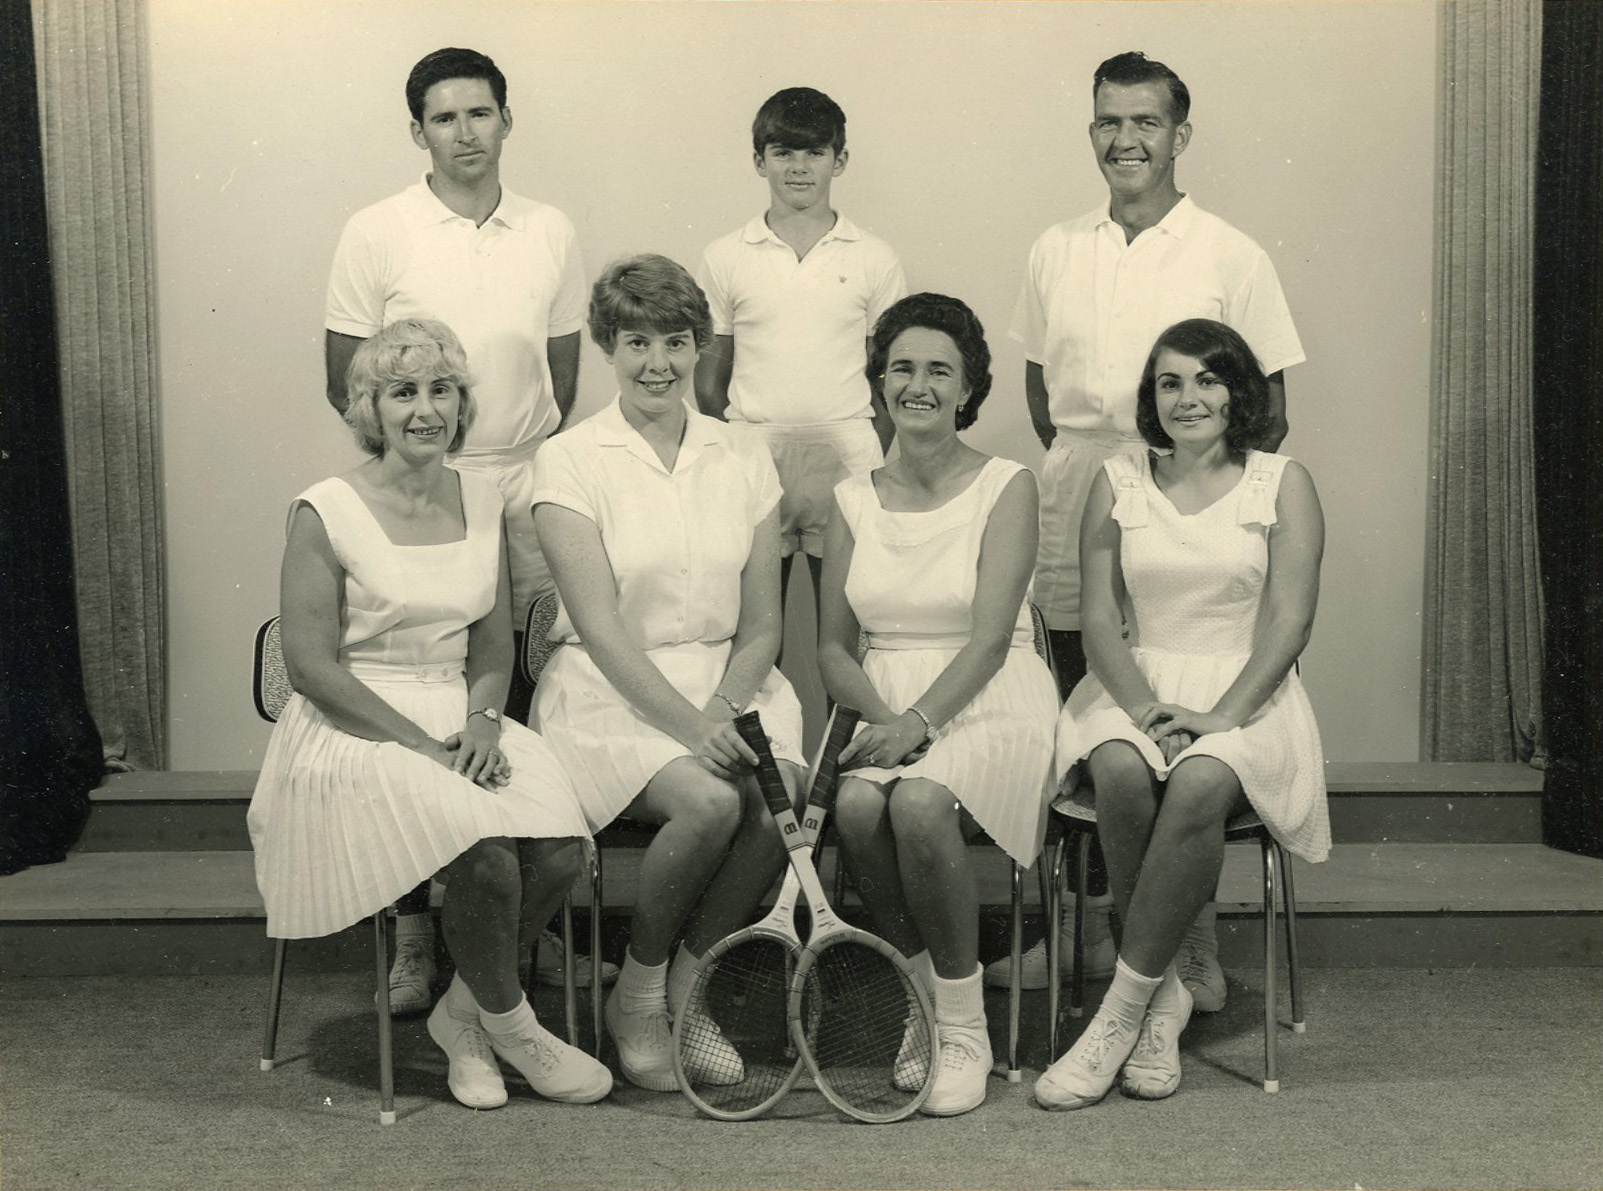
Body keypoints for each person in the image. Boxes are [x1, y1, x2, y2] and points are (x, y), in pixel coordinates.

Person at [1000, 50, 1306, 1006]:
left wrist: (1179, 490)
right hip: (1082, 499)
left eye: (1144, 123)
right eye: (1107, 122)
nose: (1124, 139)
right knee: (1092, 732)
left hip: (1192, 505)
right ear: (1090, 131)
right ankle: (1091, 934)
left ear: (1180, 135)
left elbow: (1268, 406)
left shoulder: (1230, 252)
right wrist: (1108, 483)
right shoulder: (1057, 245)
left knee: (1182, 737)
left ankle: (1184, 945)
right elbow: (1041, 394)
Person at [248, 319, 611, 1111]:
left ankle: (462, 1019)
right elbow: (310, 668)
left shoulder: (483, 496)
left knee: (558, 847)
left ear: (460, 404)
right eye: (402, 391)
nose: (424, 409)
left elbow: (490, 636)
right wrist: (421, 743)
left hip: (461, 714)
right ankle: (516, 1026)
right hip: (354, 726)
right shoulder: (324, 509)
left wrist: (483, 719)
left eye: (440, 390)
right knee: (485, 850)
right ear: (368, 407)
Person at [323, 47, 608, 1012]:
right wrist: (428, 473)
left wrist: (503, 474)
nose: (465, 133)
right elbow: (350, 380)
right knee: (420, 703)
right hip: (421, 495)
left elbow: (560, 382)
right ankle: (417, 925)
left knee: (518, 698)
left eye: (480, 113)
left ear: (506, 120)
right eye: (444, 119)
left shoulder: (549, 229)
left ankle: (520, 925)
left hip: (522, 491)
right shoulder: (377, 231)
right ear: (418, 133)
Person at [1034, 319, 1328, 1110]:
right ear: (1150, 396)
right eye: (1170, 382)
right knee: (1120, 769)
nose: (1188, 397)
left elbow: (1289, 622)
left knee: (1199, 782)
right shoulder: (1117, 477)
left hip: (1247, 691)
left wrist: (1219, 715)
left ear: (1238, 390)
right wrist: (1141, 708)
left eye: (1206, 378)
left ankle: (1122, 1016)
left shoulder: (1282, 480)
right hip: (1135, 684)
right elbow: (1096, 619)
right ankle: (1167, 990)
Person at [531, 254, 807, 1093]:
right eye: (637, 341)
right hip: (608, 690)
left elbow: (763, 623)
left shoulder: (744, 453)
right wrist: (696, 731)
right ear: (607, 346)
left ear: (700, 348)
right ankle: (638, 990)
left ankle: (689, 982)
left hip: (731, 680)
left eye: (677, 341)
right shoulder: (568, 460)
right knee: (711, 796)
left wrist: (725, 707)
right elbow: (605, 632)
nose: (659, 362)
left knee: (780, 798)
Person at [817, 294, 1058, 1116]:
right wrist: (884, 720)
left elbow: (991, 640)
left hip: (989, 692)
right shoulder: (850, 498)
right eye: (902, 368)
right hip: (882, 696)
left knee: (917, 805)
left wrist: (913, 727)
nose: (917, 385)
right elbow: (829, 650)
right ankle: (923, 996)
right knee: (854, 808)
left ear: (966, 388)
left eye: (938, 371)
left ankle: (965, 1027)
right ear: (879, 383)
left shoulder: (1008, 484)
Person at [695, 86, 906, 629]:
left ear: (840, 160)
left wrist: (866, 447)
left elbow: (888, 373)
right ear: (758, 160)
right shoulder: (724, 256)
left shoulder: (875, 258)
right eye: (783, 153)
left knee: (846, 624)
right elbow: (711, 376)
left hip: (846, 453)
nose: (798, 168)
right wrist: (745, 442)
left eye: (815, 153)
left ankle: (851, 718)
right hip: (757, 451)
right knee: (757, 626)